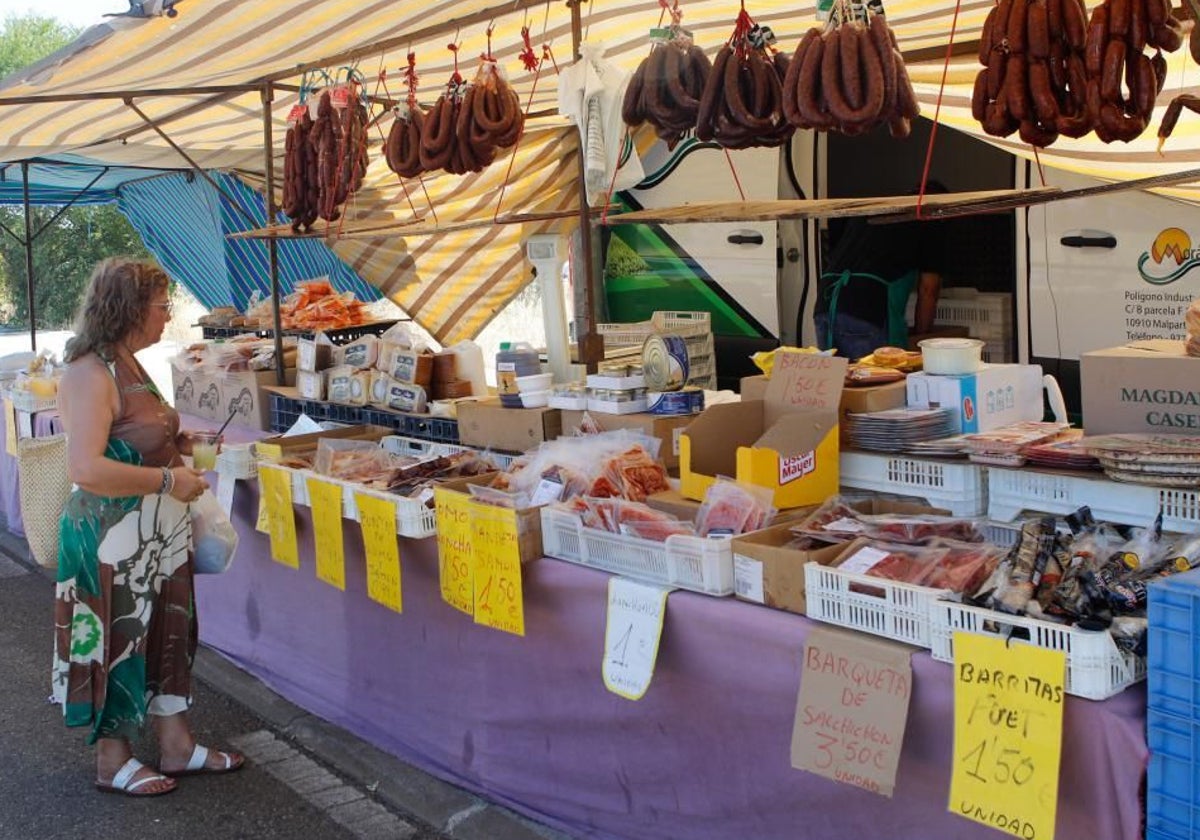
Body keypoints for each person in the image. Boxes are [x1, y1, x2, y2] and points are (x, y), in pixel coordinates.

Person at [52, 258, 244, 797]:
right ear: (131, 308)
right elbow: (85, 468)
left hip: (157, 536)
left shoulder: (129, 364)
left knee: (167, 636)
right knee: (117, 639)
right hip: (112, 540)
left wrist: (178, 447)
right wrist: (165, 479)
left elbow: (132, 437)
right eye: (163, 305)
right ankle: (112, 760)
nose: (168, 316)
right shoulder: (90, 373)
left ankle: (176, 744)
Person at [814, 185, 948, 360]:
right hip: (867, 312)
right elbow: (928, 289)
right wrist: (922, 337)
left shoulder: (877, 210)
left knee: (837, 383)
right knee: (878, 383)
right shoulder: (929, 222)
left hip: (825, 306)